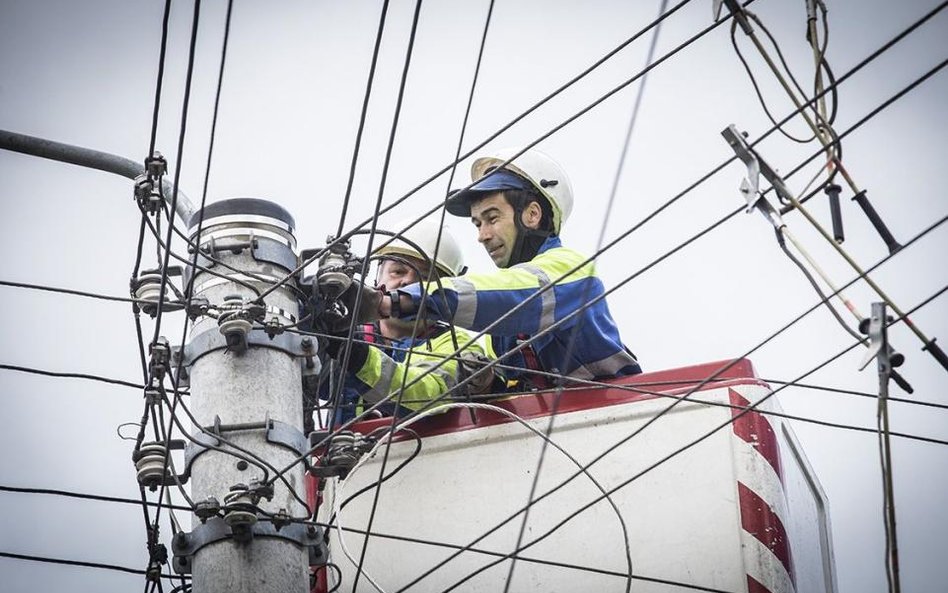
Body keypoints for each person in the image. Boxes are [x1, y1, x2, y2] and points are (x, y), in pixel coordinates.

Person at [377, 147, 640, 389]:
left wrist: (400, 301)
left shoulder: (570, 270)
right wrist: (488, 383)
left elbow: (511, 295)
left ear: (532, 215)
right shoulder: (498, 334)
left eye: (492, 218)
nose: (482, 235)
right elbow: (511, 396)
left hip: (619, 420)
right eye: (477, 224)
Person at [322, 218, 496, 424]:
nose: (407, 282)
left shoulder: (457, 345)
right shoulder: (346, 331)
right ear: (377, 277)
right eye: (398, 271)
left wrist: (357, 358)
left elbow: (431, 393)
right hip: (340, 455)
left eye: (424, 278)